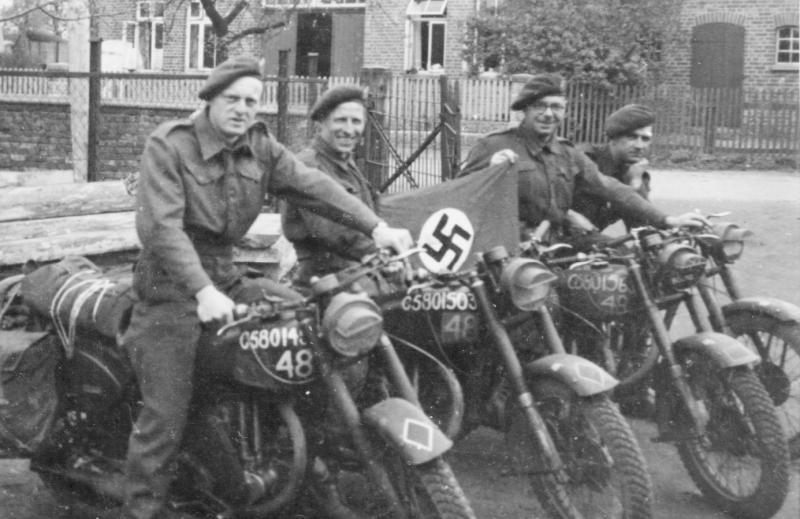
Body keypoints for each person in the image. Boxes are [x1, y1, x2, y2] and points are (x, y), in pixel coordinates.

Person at [120, 57, 412, 519]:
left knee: (314, 335)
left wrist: (377, 229)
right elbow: (161, 229)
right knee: (166, 419)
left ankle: (298, 472)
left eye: (251, 101)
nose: (241, 109)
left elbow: (313, 185)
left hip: (228, 278)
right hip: (170, 291)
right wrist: (201, 290)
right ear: (211, 100)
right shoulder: (170, 144)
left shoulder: (259, 146)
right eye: (232, 99)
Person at [458, 73, 706, 244]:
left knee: (623, 270)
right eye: (539, 106)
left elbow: (611, 188)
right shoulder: (494, 145)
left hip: (558, 245)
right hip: (511, 249)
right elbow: (458, 195)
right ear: (525, 109)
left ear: (564, 111)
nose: (548, 114)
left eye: (556, 107)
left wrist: (668, 220)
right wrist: (490, 171)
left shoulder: (567, 153)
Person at [280, 84, 378, 285]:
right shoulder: (308, 166)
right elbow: (332, 227)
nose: (349, 130)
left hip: (357, 273)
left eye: (356, 121)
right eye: (341, 120)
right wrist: (376, 251)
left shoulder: (346, 165)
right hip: (325, 281)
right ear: (321, 123)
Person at [571, 103, 656, 231]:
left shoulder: (635, 171)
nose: (639, 146)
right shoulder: (585, 159)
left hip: (592, 243)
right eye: (632, 137)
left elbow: (641, 228)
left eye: (645, 139)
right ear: (613, 138)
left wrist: (634, 184)